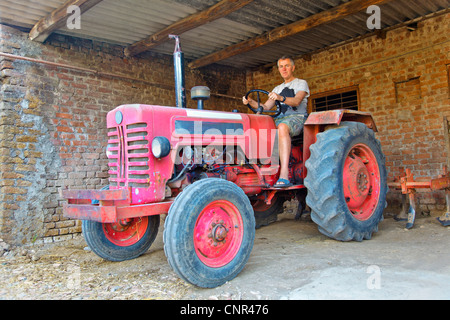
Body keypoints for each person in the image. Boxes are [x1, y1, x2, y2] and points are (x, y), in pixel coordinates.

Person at [243, 56, 309, 188]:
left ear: (293, 68)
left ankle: (284, 174)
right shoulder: (277, 88)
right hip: (279, 119)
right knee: (258, 127)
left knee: (282, 127)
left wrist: (280, 97)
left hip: (297, 118)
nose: (284, 69)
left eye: (287, 66)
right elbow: (265, 107)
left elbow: (296, 101)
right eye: (281, 66)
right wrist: (250, 101)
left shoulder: (301, 83)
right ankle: (258, 169)